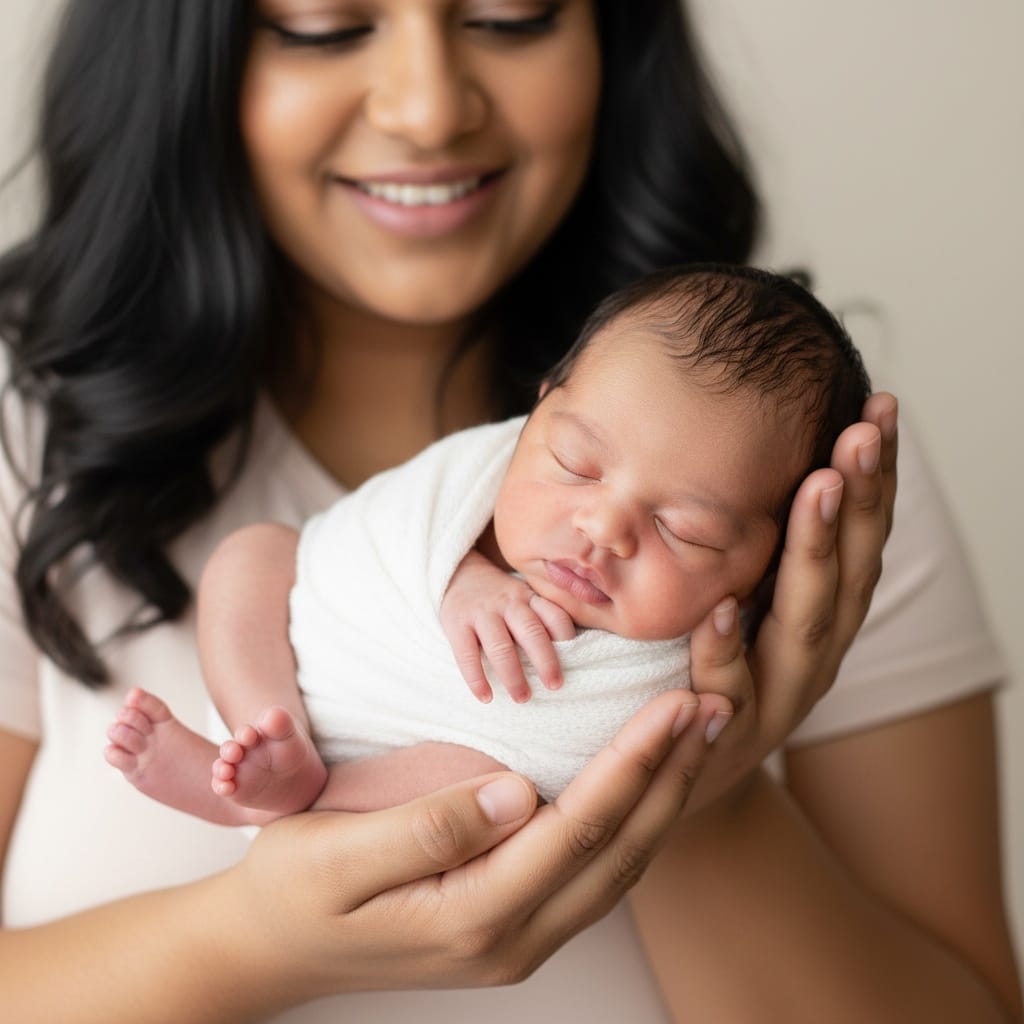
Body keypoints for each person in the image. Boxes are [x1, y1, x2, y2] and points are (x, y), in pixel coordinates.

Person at [0, 2, 1017, 1022]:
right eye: (322, 26)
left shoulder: (815, 499)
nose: (429, 110)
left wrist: (703, 792)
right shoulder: (24, 430)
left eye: (509, 15)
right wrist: (251, 942)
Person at [108, 263, 874, 821]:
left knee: (496, 786)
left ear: (767, 566)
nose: (604, 528)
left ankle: (292, 799)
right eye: (576, 464)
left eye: (685, 530)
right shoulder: (490, 466)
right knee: (254, 555)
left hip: (409, 770)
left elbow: (577, 770)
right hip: (322, 652)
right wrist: (460, 578)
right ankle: (260, 726)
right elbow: (397, 519)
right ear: (541, 408)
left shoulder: (685, 672)